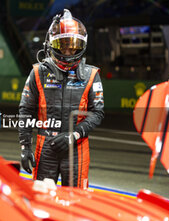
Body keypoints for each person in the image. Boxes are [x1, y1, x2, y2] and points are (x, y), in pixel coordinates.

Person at [18, 9, 104, 188]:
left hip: (77, 148)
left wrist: (73, 135)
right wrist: (25, 147)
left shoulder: (91, 74)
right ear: (51, 44)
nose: (68, 50)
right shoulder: (37, 73)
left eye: (73, 45)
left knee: (76, 202)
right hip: (46, 147)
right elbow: (26, 111)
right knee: (42, 201)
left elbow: (97, 113)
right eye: (63, 45)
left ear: (82, 45)